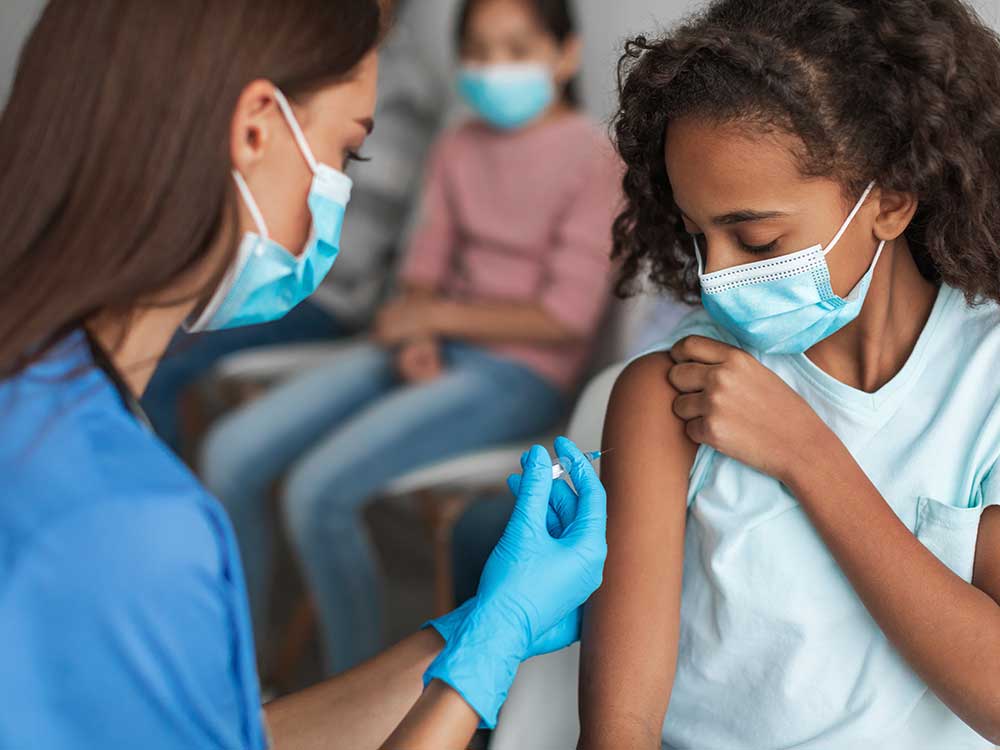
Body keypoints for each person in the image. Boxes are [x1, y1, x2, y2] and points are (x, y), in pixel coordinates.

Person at [0, 2, 607, 749]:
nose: (337, 196)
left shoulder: (48, 400)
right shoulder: (130, 526)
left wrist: (471, 636)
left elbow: (233, 738)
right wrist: (486, 661)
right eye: (349, 153)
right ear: (256, 129)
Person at [578, 1, 1000, 749]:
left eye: (756, 237)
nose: (718, 279)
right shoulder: (672, 395)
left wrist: (808, 456)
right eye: (698, 235)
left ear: (891, 201)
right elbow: (621, 730)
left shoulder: (986, 383)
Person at [200, 0, 619, 675]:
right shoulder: (459, 146)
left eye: (516, 48)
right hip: (424, 346)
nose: (493, 67)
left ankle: (353, 689)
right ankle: (237, 672)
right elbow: (424, 269)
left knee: (317, 495)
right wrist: (417, 329)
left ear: (565, 54)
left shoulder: (594, 158)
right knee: (229, 452)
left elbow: (563, 316)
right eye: (478, 51)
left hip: (516, 375)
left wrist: (434, 320)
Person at [138, 0, 457, 455]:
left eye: (353, 152)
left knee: (164, 359)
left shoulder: (400, 87)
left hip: (325, 300)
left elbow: (348, 256)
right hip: (261, 263)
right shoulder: (291, 57)